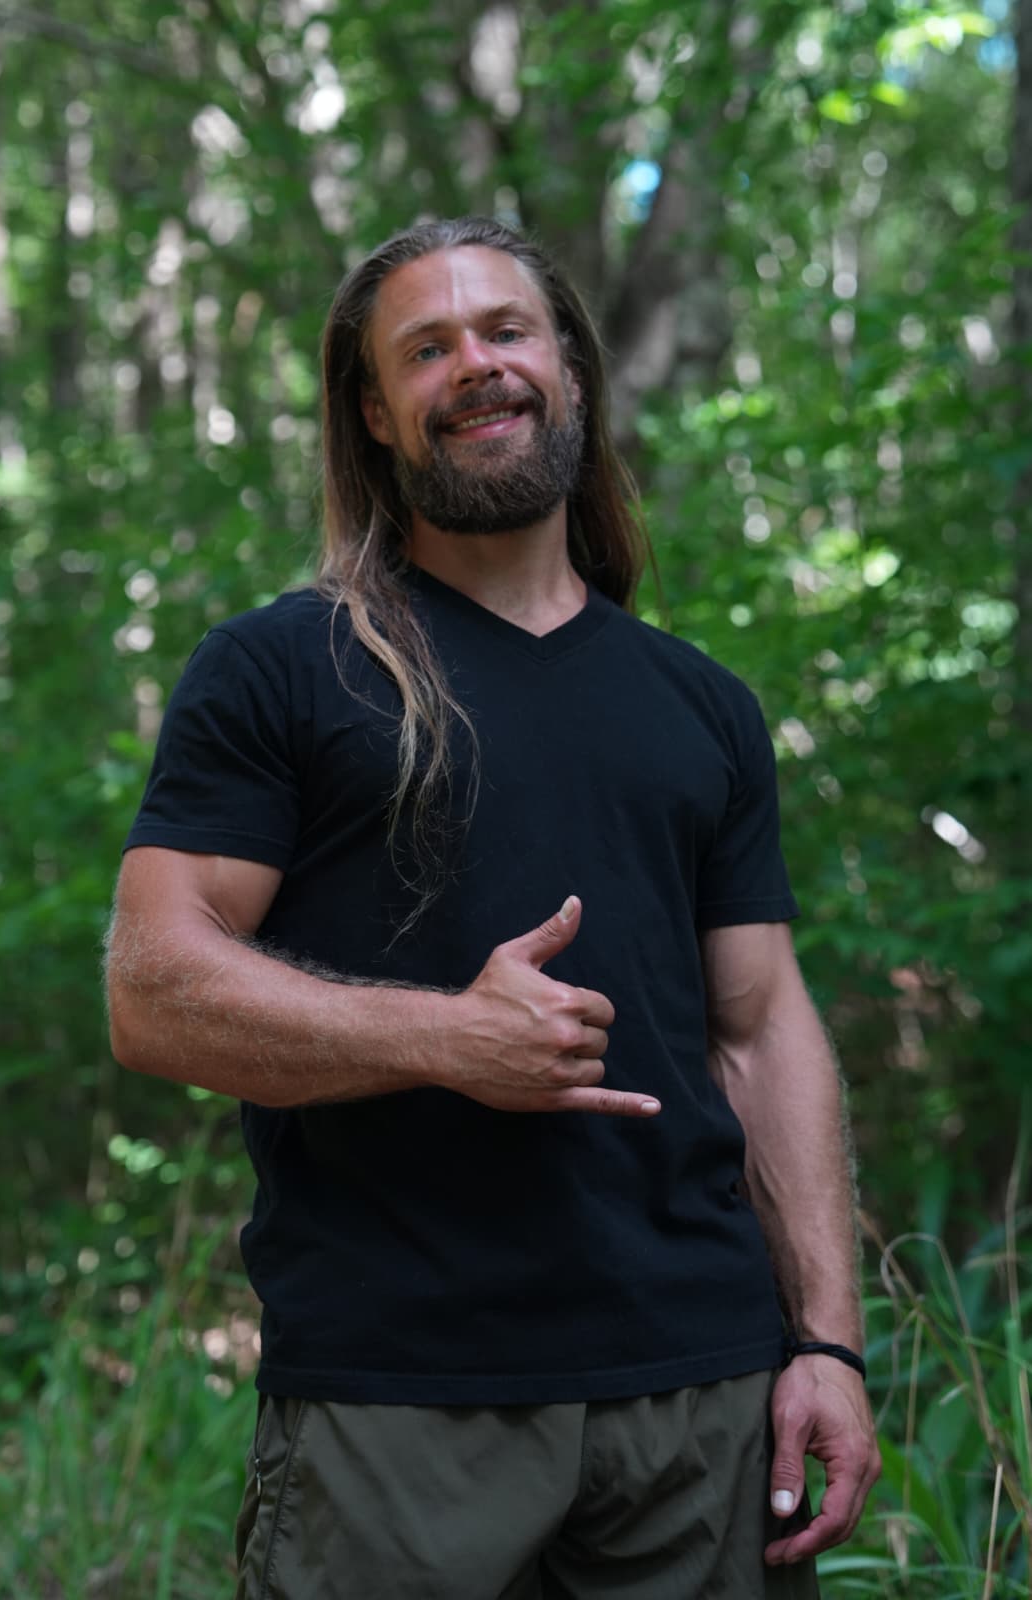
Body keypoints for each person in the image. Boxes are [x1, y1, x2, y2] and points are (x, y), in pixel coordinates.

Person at [105, 216, 880, 1599]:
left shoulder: (699, 705)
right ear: (374, 411)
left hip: (702, 1398)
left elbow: (762, 1030)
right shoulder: (285, 669)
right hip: (401, 1407)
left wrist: (824, 1340)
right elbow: (154, 986)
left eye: (507, 332)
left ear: (569, 370)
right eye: (429, 347)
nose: (478, 365)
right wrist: (443, 1040)